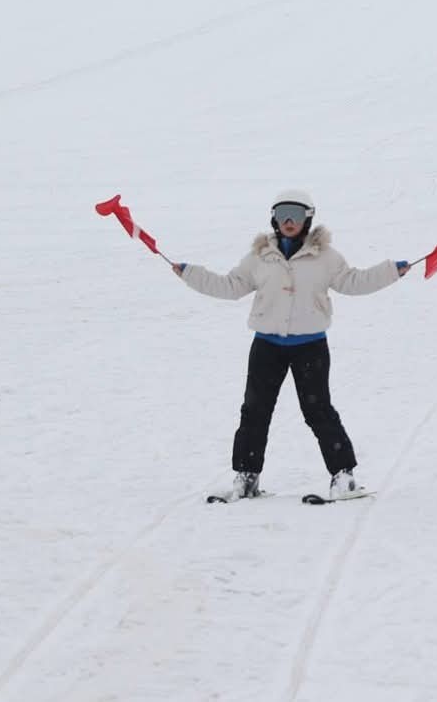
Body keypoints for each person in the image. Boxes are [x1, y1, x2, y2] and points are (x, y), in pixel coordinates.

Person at [175, 191, 410, 502]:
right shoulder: (260, 256)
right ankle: (246, 477)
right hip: (266, 346)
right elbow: (230, 286)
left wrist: (391, 271)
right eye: (282, 213)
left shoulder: (325, 257)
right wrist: (190, 274)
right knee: (254, 411)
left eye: (296, 214)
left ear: (308, 219)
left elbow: (353, 282)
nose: (289, 221)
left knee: (318, 410)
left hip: (310, 346)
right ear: (274, 218)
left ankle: (344, 477)